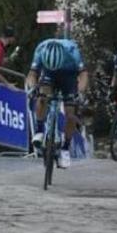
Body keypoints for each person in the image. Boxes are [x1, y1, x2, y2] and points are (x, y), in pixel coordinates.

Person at [25, 33, 88, 170]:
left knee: (70, 113)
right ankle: (40, 131)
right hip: (49, 74)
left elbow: (83, 74)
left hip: (69, 76)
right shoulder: (41, 49)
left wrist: (80, 93)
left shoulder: (72, 51)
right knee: (42, 97)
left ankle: (65, 148)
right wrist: (33, 88)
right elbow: (32, 74)